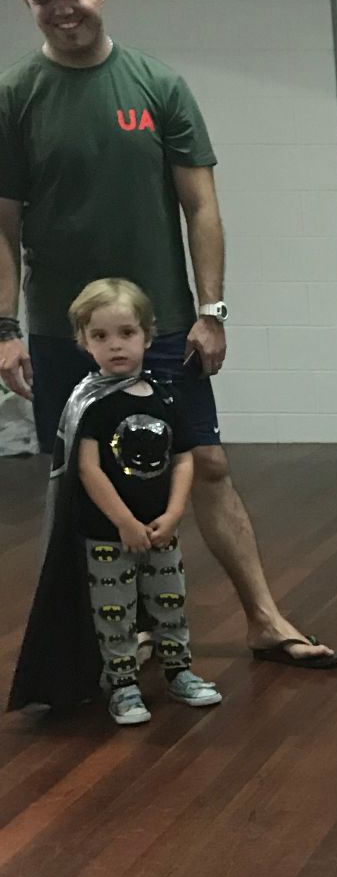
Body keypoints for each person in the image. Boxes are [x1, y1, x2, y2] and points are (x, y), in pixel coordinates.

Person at [0, 0, 337, 671]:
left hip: (158, 324)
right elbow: (4, 224)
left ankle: (264, 619)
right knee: (86, 477)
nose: (62, 7)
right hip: (63, 334)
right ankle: (111, 635)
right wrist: (4, 329)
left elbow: (201, 206)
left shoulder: (157, 85)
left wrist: (210, 311)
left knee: (206, 462)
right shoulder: (15, 96)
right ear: (27, 3)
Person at [10, 278, 222, 724]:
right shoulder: (91, 404)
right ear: (84, 342)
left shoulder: (165, 396)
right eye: (100, 335)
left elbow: (183, 457)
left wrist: (174, 512)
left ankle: (179, 673)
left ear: (147, 335)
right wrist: (123, 520)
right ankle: (123, 686)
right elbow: (88, 469)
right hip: (107, 534)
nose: (115, 345)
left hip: (160, 529)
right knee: (115, 610)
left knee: (169, 602)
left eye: (126, 333)